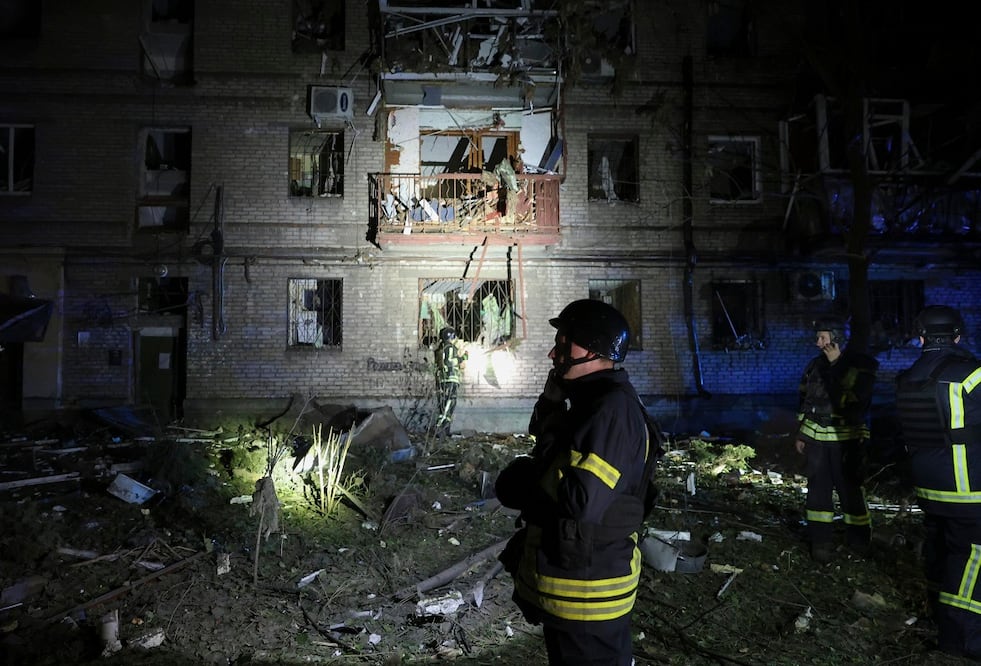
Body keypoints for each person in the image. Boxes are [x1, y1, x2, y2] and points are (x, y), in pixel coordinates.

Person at [495, 299, 663, 666]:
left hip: (588, 594)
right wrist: (551, 403)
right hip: (575, 585)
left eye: (564, 341)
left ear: (592, 348)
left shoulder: (611, 410)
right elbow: (554, 448)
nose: (553, 352)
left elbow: (582, 500)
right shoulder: (592, 402)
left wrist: (526, 480)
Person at [895, 305, 981, 659]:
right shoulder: (972, 374)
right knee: (973, 557)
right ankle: (961, 640)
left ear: (921, 338)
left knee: (945, 553)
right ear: (958, 336)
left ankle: (942, 617)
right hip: (968, 488)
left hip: (929, 489)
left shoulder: (907, 377)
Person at [794, 316, 878, 563]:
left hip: (846, 440)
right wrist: (800, 433)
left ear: (838, 340)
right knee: (817, 493)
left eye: (823, 338)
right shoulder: (814, 365)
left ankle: (859, 542)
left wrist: (836, 365)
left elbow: (856, 402)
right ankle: (820, 542)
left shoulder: (861, 366)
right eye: (817, 337)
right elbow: (804, 399)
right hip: (815, 440)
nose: (818, 343)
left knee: (849, 490)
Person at [433, 326, 467, 437]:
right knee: (449, 404)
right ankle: (440, 429)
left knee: (445, 405)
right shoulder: (450, 347)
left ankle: (444, 431)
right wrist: (464, 357)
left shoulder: (441, 349)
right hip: (450, 379)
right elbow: (450, 361)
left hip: (443, 379)